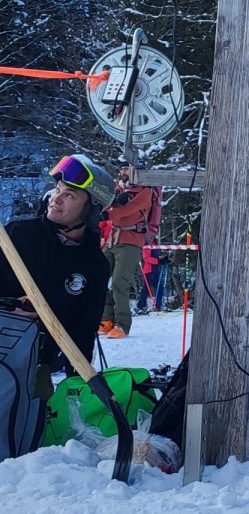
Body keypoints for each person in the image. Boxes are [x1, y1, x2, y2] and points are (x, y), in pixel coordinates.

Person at [0, 155, 113, 404]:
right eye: (58, 190)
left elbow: (84, 332)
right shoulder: (18, 235)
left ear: (91, 209)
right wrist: (7, 307)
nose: (56, 199)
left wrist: (79, 389)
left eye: (69, 195)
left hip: (34, 369)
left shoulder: (95, 265)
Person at [100, 165, 155, 338]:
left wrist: (109, 213)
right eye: (122, 168)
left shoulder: (145, 191)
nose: (124, 172)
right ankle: (106, 318)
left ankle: (122, 323)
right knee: (98, 276)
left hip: (131, 240)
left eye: (128, 168)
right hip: (112, 239)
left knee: (119, 282)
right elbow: (105, 203)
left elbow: (127, 212)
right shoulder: (118, 188)